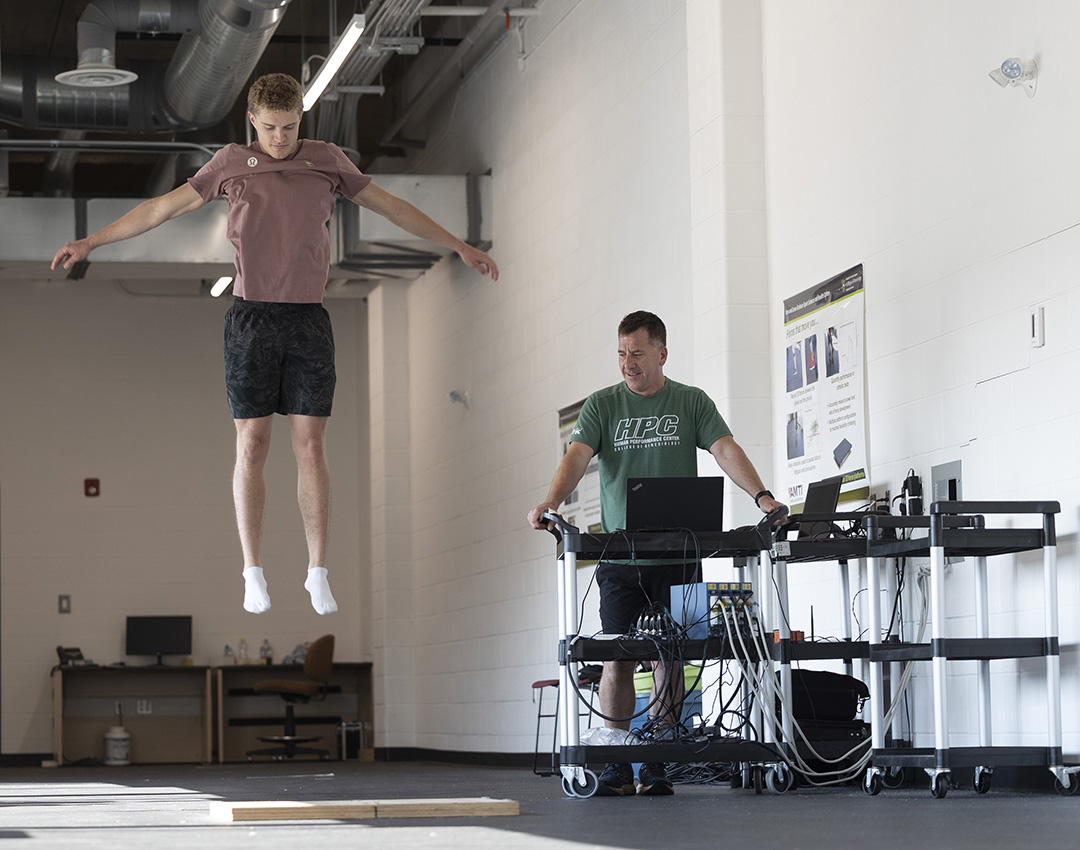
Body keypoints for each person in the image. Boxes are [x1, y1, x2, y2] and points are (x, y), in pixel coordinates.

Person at [52, 73, 499, 616]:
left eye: (289, 128)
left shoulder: (326, 159)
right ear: (252, 123)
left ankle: (317, 571)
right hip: (251, 319)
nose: (281, 139)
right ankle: (253, 571)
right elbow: (160, 209)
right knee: (252, 445)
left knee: (310, 447)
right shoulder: (231, 164)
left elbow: (391, 206)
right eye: (270, 129)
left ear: (300, 121)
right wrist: (90, 241)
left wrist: (458, 245)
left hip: (308, 319)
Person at [527, 310, 784, 797]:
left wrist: (762, 497)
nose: (628, 363)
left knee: (672, 655)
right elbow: (577, 457)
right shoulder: (603, 405)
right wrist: (551, 503)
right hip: (621, 562)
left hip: (678, 557)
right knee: (617, 658)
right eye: (622, 353)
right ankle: (617, 762)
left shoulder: (690, 402)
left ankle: (658, 761)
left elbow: (725, 449)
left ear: (662, 354)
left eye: (638, 353)